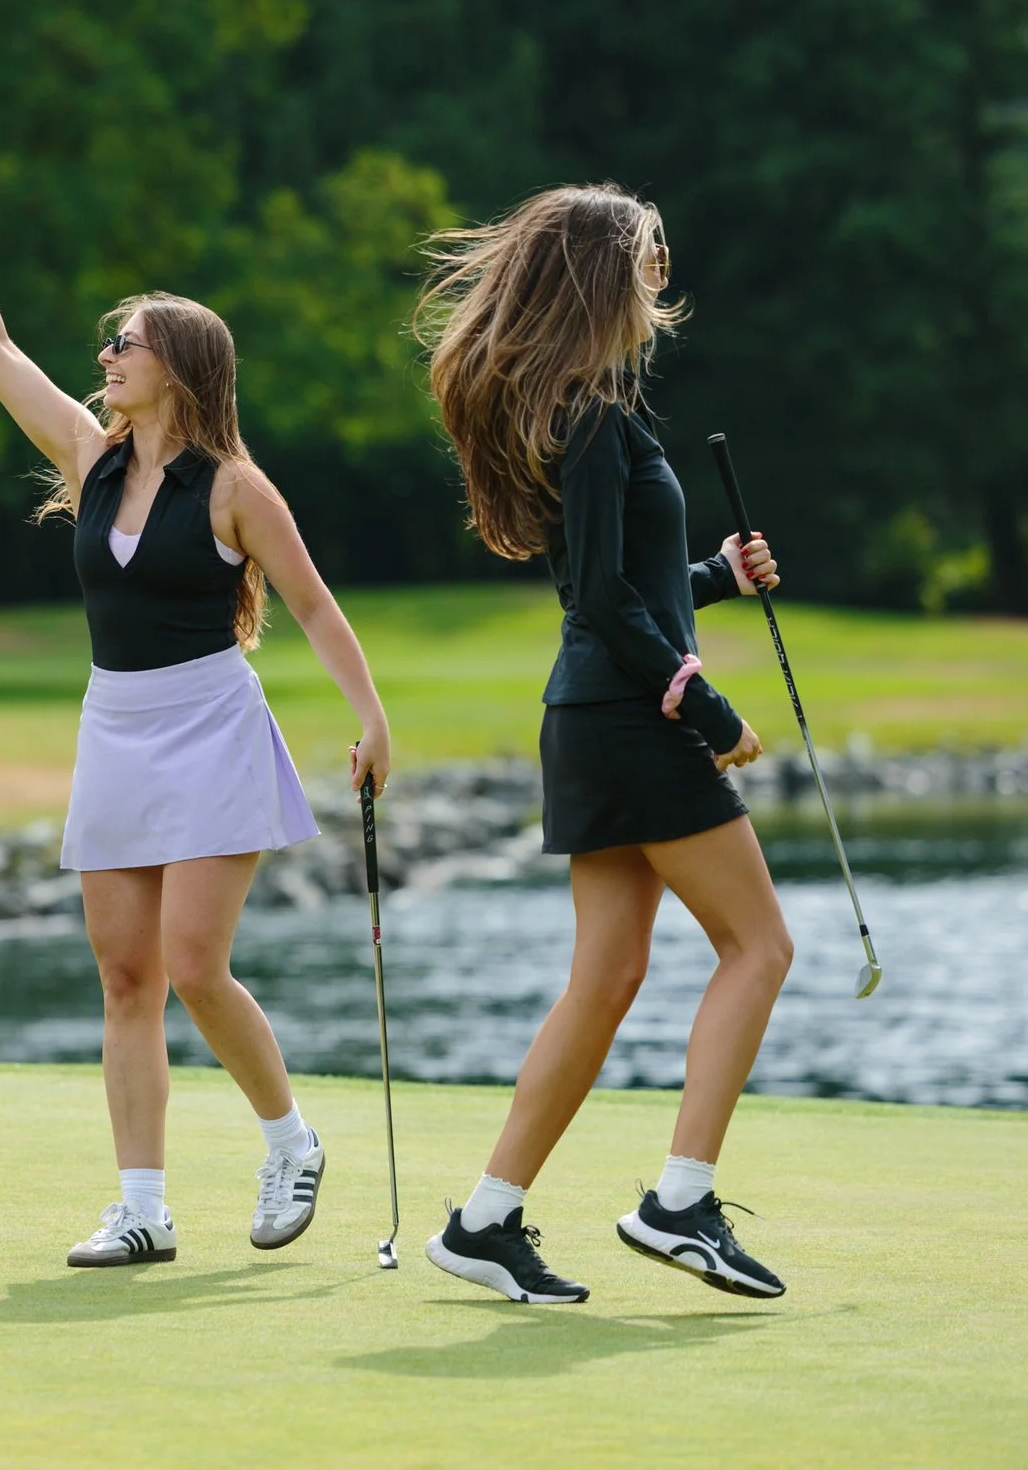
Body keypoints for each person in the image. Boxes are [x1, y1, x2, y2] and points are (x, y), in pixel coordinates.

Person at [0, 97, 393, 1267]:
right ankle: (141, 1205)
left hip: (214, 725)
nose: (105, 356)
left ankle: (288, 1138)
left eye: (124, 341)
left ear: (177, 363)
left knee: (191, 964)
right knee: (124, 974)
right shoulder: (88, 452)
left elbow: (316, 605)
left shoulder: (236, 486)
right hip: (115, 725)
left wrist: (371, 719)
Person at [417, 184, 792, 1303]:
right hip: (627, 722)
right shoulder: (591, 420)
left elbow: (628, 593)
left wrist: (717, 578)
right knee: (759, 945)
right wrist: (704, 702)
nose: (662, 277)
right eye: (651, 258)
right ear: (604, 276)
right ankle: (680, 1200)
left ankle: (485, 1219)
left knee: (607, 976)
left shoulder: (590, 415)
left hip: (596, 719)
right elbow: (597, 604)